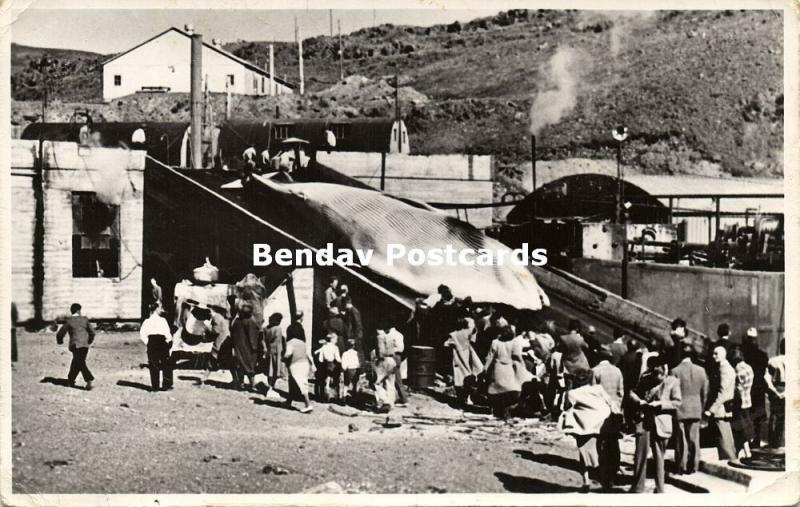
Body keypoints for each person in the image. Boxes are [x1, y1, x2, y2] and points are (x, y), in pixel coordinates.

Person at [629, 357, 682, 494]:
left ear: (664, 372)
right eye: (654, 375)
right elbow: (633, 392)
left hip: (661, 422)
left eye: (659, 376)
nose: (656, 379)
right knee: (640, 456)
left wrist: (661, 404)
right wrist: (638, 401)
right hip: (644, 421)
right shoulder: (645, 379)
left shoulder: (673, 382)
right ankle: (638, 487)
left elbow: (677, 403)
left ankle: (660, 488)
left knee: (659, 458)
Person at [670, 345, 708, 475]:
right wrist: (701, 407)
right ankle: (694, 466)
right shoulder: (701, 371)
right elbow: (704, 393)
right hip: (696, 408)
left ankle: (681, 466)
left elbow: (672, 392)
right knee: (694, 439)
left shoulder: (675, 371)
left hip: (680, 408)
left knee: (681, 439)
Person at [591, 345, 624, 489]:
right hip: (615, 410)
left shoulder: (595, 371)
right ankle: (614, 469)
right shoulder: (617, 370)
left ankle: (602, 471)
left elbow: (593, 392)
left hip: (601, 410)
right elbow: (621, 392)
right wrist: (617, 406)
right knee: (613, 441)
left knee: (600, 441)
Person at [704, 345, 738, 462]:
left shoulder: (724, 369)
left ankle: (729, 460)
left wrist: (712, 409)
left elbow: (722, 392)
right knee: (724, 436)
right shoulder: (725, 367)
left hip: (721, 408)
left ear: (723, 355)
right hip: (724, 407)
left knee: (723, 437)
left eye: (716, 354)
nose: (713, 356)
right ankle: (729, 459)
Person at [483, 326, 522, 419]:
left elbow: (490, 356)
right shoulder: (514, 343)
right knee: (509, 389)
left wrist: (485, 368)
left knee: (498, 390)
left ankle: (497, 410)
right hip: (509, 368)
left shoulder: (495, 342)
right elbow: (517, 356)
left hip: (498, 368)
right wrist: (522, 367)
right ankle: (506, 410)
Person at [55, 303, 96, 390]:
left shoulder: (69, 320)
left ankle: (89, 380)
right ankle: (70, 380)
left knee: (79, 363)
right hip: (85, 346)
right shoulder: (85, 319)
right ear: (79, 310)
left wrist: (60, 341)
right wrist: (89, 341)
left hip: (75, 345)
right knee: (77, 362)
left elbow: (60, 333)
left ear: (71, 310)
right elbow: (92, 332)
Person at [444, 318, 483, 405]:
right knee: (469, 376)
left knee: (460, 376)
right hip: (467, 354)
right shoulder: (468, 332)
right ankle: (467, 397)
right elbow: (474, 338)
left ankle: (461, 398)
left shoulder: (453, 334)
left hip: (459, 356)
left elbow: (446, 344)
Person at [741, 327, 768, 448]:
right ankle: (756, 440)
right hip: (759, 387)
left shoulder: (744, 354)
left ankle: (748, 440)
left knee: (747, 414)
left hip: (748, 387)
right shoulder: (763, 355)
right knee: (758, 416)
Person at [140, 302, 173, 392]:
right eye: (160, 308)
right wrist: (167, 341)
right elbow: (167, 333)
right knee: (166, 362)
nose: (161, 310)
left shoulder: (147, 321)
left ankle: (155, 386)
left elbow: (142, 334)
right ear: (156, 309)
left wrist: (148, 342)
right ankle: (167, 384)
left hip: (152, 341)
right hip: (162, 341)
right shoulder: (163, 320)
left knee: (153, 363)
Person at [283, 324, 315, 413]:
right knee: (293, 382)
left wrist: (283, 358)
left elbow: (288, 353)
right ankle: (289, 401)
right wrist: (313, 365)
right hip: (305, 364)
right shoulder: (303, 343)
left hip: (296, 365)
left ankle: (308, 404)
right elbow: (308, 355)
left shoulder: (290, 343)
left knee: (301, 384)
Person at [229, 302, 260, 391]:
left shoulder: (236, 321)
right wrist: (255, 347)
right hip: (248, 348)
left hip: (238, 347)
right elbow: (252, 336)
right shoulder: (250, 321)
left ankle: (241, 383)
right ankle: (253, 385)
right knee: (250, 366)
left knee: (240, 365)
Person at [729, 346, 754, 459]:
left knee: (740, 428)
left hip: (739, 402)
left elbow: (737, 388)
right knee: (746, 425)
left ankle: (745, 451)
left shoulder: (737, 369)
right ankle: (743, 450)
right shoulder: (749, 367)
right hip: (748, 400)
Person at [764, 338, 785, 449]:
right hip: (788, 390)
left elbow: (767, 379)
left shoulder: (773, 361)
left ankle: (773, 444)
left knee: (775, 417)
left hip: (777, 390)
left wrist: (775, 391)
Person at [203, 305, 231, 385]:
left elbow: (216, 330)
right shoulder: (220, 317)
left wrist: (207, 326)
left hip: (220, 342)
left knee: (212, 359)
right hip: (225, 341)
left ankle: (204, 377)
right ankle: (237, 381)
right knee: (229, 361)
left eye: (210, 311)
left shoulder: (216, 317)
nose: (209, 313)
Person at [560, 319, 590, 390]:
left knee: (568, 384)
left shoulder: (563, 338)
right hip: (580, 363)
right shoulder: (579, 339)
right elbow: (587, 346)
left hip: (567, 364)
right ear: (577, 328)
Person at [314, 332, 342, 401]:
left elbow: (320, 359)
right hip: (331, 365)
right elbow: (338, 359)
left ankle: (322, 395)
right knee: (335, 378)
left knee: (323, 380)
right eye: (336, 339)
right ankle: (334, 395)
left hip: (324, 365)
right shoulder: (335, 348)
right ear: (332, 339)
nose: (337, 341)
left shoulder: (324, 347)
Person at [261, 312, 285, 393]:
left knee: (269, 369)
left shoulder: (265, 329)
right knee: (275, 369)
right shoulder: (278, 329)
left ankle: (270, 386)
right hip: (277, 351)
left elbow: (263, 340)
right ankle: (272, 386)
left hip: (269, 350)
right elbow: (279, 340)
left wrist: (265, 348)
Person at [387, 326, 409, 407]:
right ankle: (402, 398)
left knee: (394, 378)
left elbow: (399, 348)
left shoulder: (392, 335)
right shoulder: (399, 335)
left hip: (393, 355)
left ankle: (403, 399)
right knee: (396, 378)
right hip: (397, 356)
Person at [341, 297, 364, 363]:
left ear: (346, 304)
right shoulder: (349, 311)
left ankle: (362, 369)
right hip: (353, 335)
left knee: (359, 352)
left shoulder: (354, 311)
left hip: (356, 336)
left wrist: (356, 338)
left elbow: (358, 325)